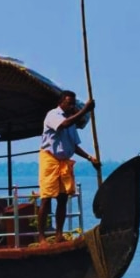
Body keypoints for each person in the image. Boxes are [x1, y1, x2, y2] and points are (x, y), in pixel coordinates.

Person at [38, 90, 100, 245]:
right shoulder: (53, 115)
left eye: (73, 103)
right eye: (69, 103)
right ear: (61, 102)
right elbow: (64, 125)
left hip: (64, 161)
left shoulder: (71, 122)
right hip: (50, 159)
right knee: (46, 198)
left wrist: (89, 157)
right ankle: (41, 237)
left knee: (63, 198)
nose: (72, 106)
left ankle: (59, 234)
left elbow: (74, 146)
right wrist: (85, 110)